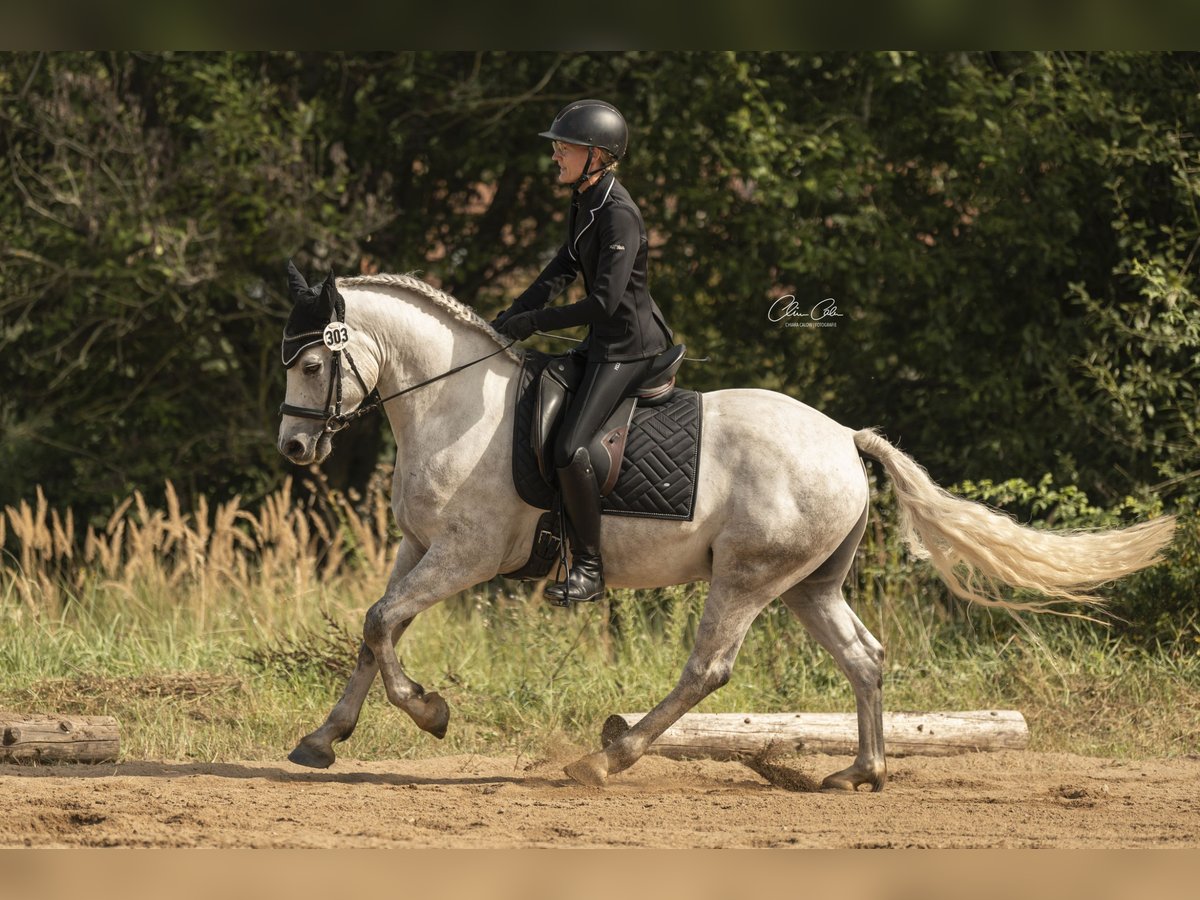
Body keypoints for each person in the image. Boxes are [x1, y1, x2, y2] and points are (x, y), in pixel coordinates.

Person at [494, 99, 674, 605]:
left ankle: (590, 569)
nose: (555, 155)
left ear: (596, 155)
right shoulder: (586, 199)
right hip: (602, 341)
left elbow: (603, 303)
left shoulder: (619, 215)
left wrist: (537, 322)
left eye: (564, 148)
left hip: (629, 348)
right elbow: (561, 268)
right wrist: (508, 318)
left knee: (570, 448)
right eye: (557, 147)